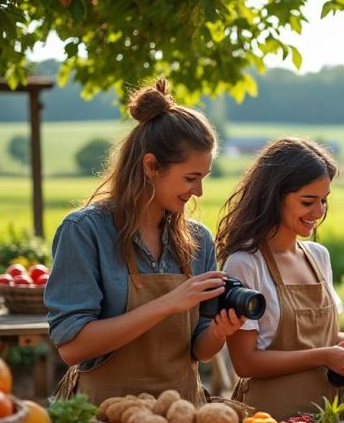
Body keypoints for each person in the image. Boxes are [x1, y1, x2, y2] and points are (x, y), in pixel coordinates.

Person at [46, 78, 244, 405]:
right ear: (151, 166)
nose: (199, 191)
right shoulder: (84, 231)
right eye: (191, 178)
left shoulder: (199, 240)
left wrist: (221, 331)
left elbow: (201, 351)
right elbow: (73, 347)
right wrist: (168, 303)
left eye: (203, 178)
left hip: (182, 414)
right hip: (107, 418)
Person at [218, 138, 344, 417]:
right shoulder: (245, 264)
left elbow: (319, 337)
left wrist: (343, 344)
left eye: (323, 200)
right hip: (270, 417)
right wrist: (323, 356)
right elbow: (246, 362)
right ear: (274, 196)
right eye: (308, 201)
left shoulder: (318, 256)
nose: (319, 212)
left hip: (329, 414)